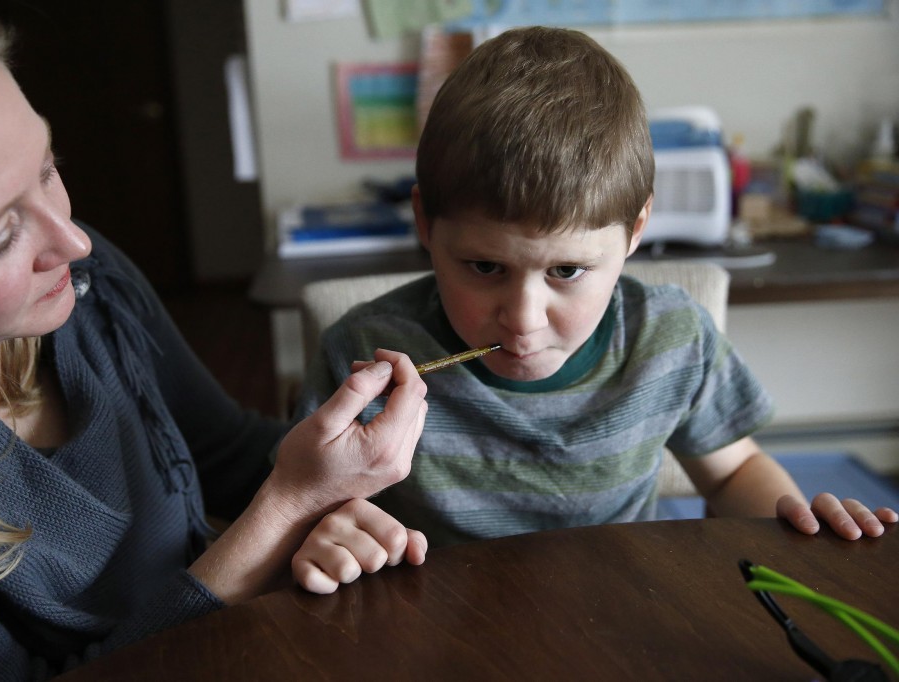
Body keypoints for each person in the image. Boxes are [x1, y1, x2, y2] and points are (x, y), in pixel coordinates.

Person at [0, 1, 428, 679]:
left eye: (48, 169)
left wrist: (405, 454)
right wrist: (288, 511)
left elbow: (224, 453)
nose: (73, 241)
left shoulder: (88, 288)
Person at [294, 26, 897, 548]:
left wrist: (795, 527)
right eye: (485, 268)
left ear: (635, 231)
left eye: (566, 271)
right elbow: (306, 512)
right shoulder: (362, 357)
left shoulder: (670, 339)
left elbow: (734, 472)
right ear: (425, 223)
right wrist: (326, 532)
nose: (524, 320)